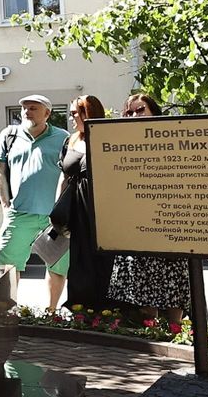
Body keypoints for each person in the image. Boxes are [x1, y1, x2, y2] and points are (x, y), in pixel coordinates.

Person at [107, 94, 190, 330]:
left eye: (140, 109)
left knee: (173, 274)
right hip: (136, 220)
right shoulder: (119, 141)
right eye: (130, 112)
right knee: (142, 276)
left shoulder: (171, 135)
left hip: (170, 218)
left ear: (153, 110)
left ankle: (175, 329)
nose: (135, 115)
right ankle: (150, 328)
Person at [0, 93, 71, 309]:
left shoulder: (63, 138)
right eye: (24, 108)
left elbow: (69, 173)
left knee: (57, 265)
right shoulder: (9, 135)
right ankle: (7, 311)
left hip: (53, 217)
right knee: (7, 265)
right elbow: (0, 171)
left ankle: (51, 312)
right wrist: (6, 206)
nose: (27, 112)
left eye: (33, 108)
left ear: (47, 113)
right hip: (19, 214)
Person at [55, 95, 111, 310]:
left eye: (75, 114)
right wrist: (57, 207)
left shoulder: (106, 137)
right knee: (79, 259)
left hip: (101, 210)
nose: (71, 118)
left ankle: (106, 312)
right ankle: (81, 310)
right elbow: (64, 176)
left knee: (102, 260)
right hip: (75, 209)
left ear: (89, 113)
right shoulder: (70, 140)